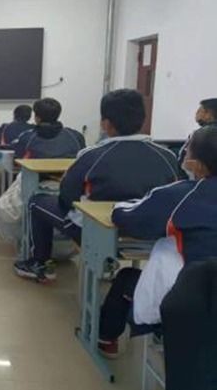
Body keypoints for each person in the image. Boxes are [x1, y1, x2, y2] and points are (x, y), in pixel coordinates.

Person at [14, 89, 181, 283]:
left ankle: (39, 263)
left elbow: (67, 196)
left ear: (105, 123)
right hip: (151, 230)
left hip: (96, 230)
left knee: (37, 202)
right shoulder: (167, 156)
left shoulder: (92, 155)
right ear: (142, 120)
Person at [97, 125, 217, 358]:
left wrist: (122, 205)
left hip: (194, 298)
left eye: (188, 151)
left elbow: (129, 219)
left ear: (198, 165)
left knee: (126, 278)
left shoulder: (182, 195)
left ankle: (106, 337)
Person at [11, 98, 85, 159]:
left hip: (36, 172)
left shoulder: (27, 138)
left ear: (37, 118)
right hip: (68, 172)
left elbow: (18, 159)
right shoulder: (76, 136)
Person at [178, 98, 217, 167]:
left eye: (199, 111)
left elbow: (186, 162)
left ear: (208, 114)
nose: (196, 114)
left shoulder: (200, 134)